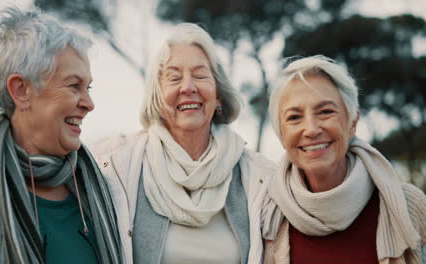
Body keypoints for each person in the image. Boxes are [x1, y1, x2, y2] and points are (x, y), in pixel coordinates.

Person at [93, 23, 276, 264]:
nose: (188, 87)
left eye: (200, 75)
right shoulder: (116, 165)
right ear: (158, 96)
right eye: (174, 77)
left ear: (218, 95)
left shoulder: (259, 177)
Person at [0, 6, 122, 264]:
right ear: (21, 90)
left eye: (88, 87)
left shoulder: (99, 190)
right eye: (74, 85)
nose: (90, 103)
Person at [262, 55, 426, 264]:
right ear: (281, 135)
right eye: (294, 117)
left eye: (326, 112)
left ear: (353, 123)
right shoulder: (266, 215)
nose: (311, 130)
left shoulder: (410, 206)